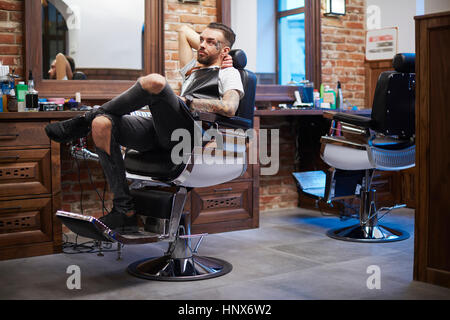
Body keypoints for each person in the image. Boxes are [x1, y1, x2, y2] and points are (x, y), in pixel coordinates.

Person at [45, 22, 244, 231]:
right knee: (101, 124)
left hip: (189, 137)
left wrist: (189, 100)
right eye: (201, 40)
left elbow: (230, 108)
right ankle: (125, 210)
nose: (201, 45)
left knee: (155, 81)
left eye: (210, 42)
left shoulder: (229, 73)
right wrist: (213, 45)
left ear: (224, 50)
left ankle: (83, 120)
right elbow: (184, 31)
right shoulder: (192, 69)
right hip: (162, 132)